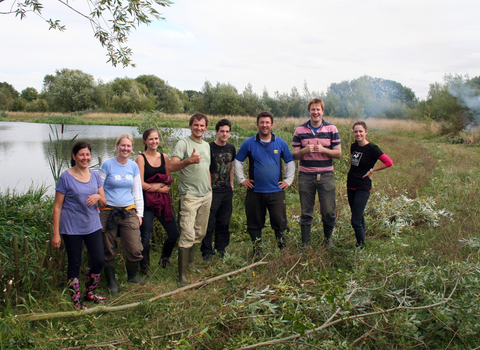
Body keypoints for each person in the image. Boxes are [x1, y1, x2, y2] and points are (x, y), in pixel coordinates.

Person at [52, 141, 107, 310]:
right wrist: (56, 234)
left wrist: (98, 197)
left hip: (92, 225)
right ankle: (76, 301)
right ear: (74, 156)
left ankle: (90, 292)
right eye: (81, 154)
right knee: (74, 263)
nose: (85, 158)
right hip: (71, 227)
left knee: (98, 260)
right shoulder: (65, 177)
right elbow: (57, 206)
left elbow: (104, 202)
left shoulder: (96, 175)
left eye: (88, 154)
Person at [235, 111, 295, 260]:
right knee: (254, 223)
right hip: (255, 191)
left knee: (280, 222)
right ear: (257, 125)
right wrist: (241, 179)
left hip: (276, 191)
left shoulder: (280, 143)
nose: (264, 125)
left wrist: (288, 180)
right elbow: (238, 161)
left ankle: (282, 250)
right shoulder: (248, 143)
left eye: (267, 122)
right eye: (262, 122)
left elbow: (289, 161)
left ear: (272, 125)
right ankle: (257, 251)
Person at [292, 98, 341, 248]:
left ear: (322, 111)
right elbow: (294, 155)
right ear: (309, 111)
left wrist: (323, 150)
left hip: (326, 175)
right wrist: (304, 151)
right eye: (313, 109)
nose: (315, 112)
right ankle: (305, 244)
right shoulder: (300, 130)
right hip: (306, 176)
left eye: (318, 109)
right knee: (306, 212)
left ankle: (328, 241)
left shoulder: (332, 129)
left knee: (328, 211)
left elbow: (338, 154)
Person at [170, 113, 212, 285]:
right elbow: (171, 166)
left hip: (206, 195)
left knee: (199, 232)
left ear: (206, 128)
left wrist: (210, 188)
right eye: (196, 125)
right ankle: (182, 277)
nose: (199, 128)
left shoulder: (207, 145)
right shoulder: (183, 143)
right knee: (187, 233)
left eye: (202, 126)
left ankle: (191, 264)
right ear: (190, 126)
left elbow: (207, 168)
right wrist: (189, 161)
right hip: (189, 195)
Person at [99, 134, 144, 294]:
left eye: (128, 146)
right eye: (122, 145)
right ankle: (112, 282)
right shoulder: (107, 165)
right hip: (108, 211)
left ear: (132, 148)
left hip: (128, 210)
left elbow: (137, 191)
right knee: (108, 247)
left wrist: (139, 213)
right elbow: (99, 187)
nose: (125, 148)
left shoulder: (133, 167)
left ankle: (132, 276)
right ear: (117, 146)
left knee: (135, 247)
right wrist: (99, 206)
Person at [136, 128, 180, 273]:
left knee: (174, 234)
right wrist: (159, 188)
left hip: (162, 202)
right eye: (150, 139)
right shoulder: (140, 158)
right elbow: (140, 183)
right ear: (145, 141)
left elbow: (168, 180)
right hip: (146, 203)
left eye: (156, 139)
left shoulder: (164, 157)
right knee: (145, 238)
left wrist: (160, 186)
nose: (154, 142)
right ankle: (145, 268)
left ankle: (164, 259)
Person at [347, 121, 393, 249]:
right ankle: (361, 242)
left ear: (366, 132)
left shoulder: (372, 148)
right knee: (359, 216)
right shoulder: (353, 146)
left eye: (361, 131)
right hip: (351, 185)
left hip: (363, 186)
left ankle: (360, 246)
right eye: (355, 131)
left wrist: (372, 170)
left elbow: (388, 162)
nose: (358, 134)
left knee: (355, 220)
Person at [201, 119, 236, 261]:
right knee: (209, 222)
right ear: (216, 132)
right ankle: (207, 252)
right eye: (222, 131)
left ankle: (221, 249)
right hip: (212, 190)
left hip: (227, 191)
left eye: (227, 131)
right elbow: (206, 169)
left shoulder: (231, 148)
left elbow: (231, 167)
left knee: (224, 222)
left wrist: (232, 185)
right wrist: (209, 188)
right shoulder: (209, 147)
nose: (224, 134)